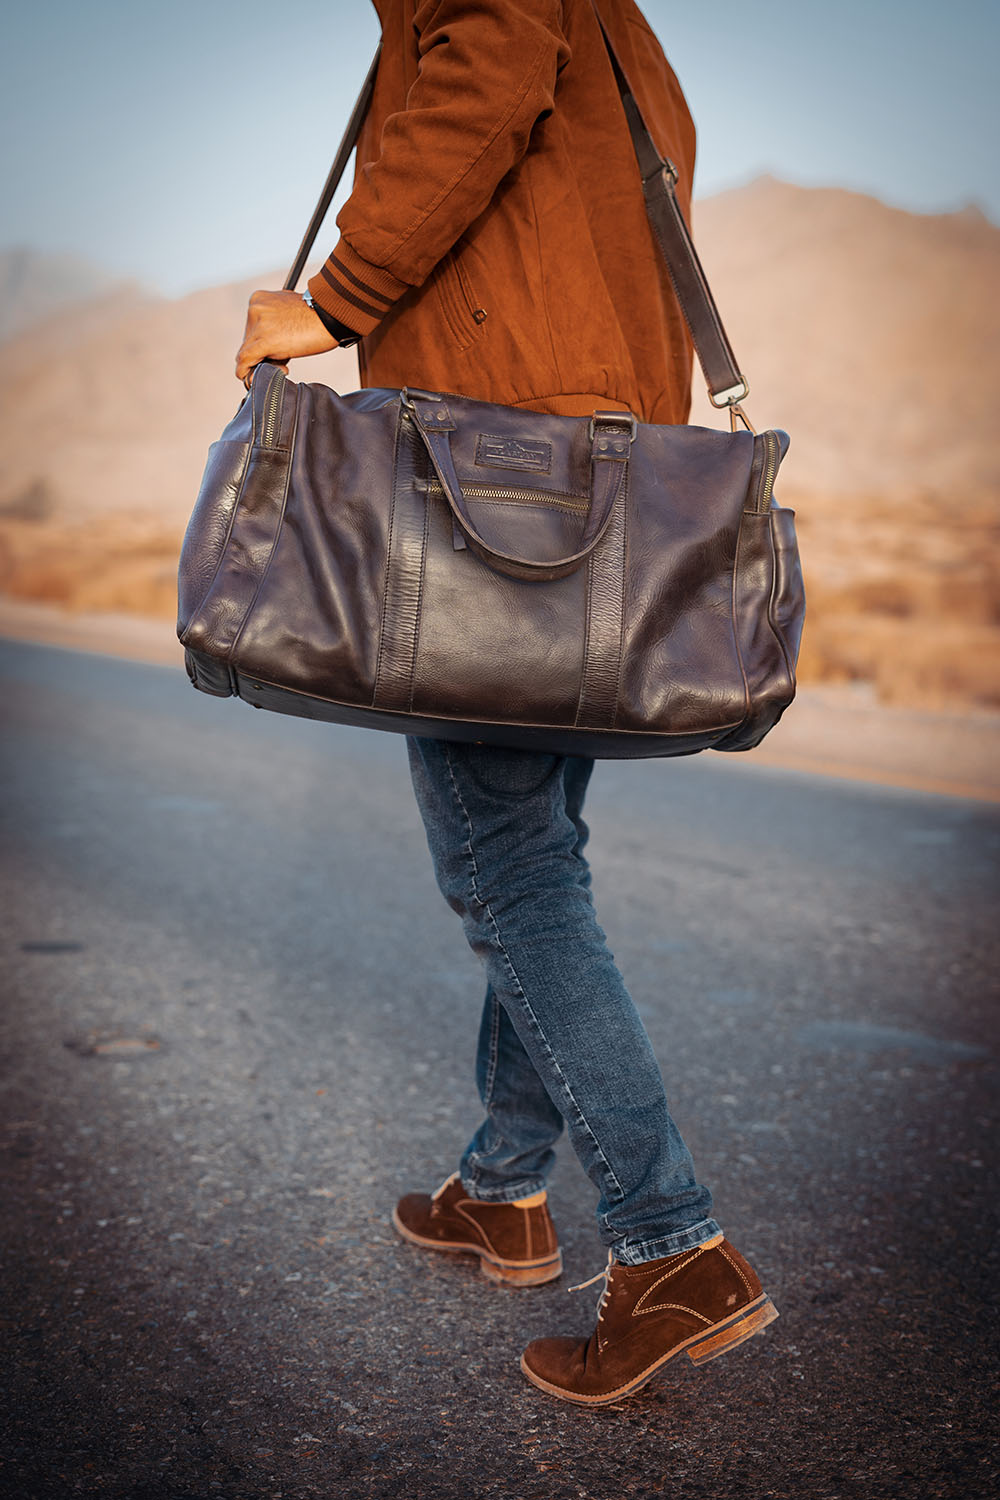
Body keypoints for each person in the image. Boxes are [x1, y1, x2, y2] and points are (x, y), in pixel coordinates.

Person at [235, 0, 777, 1406]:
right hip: (603, 469)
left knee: (506, 866)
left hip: (486, 463)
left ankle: (674, 1248)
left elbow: (484, 72)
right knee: (539, 845)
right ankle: (503, 1188)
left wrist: (339, 295)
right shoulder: (622, 25)